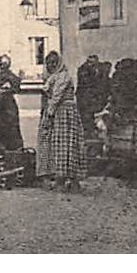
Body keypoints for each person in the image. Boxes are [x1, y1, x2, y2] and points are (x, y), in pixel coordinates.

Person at [37, 51, 84, 191]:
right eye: (48, 63)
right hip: (54, 112)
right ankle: (55, 177)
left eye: (54, 63)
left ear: (59, 63)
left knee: (66, 144)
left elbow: (57, 96)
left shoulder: (63, 76)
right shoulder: (51, 77)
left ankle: (67, 179)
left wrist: (49, 112)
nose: (51, 65)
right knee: (51, 144)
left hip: (64, 113)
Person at [0, 54, 24, 154]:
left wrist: (4, 91)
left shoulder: (12, 76)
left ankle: (12, 152)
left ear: (9, 64)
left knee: (10, 128)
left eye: (4, 64)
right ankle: (0, 152)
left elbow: (16, 89)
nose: (2, 66)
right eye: (0, 64)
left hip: (8, 106)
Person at [75, 53, 111, 137]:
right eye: (90, 63)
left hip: (98, 104)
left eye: (94, 63)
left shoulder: (101, 73)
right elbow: (83, 90)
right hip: (87, 104)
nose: (91, 65)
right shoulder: (83, 72)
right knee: (88, 126)